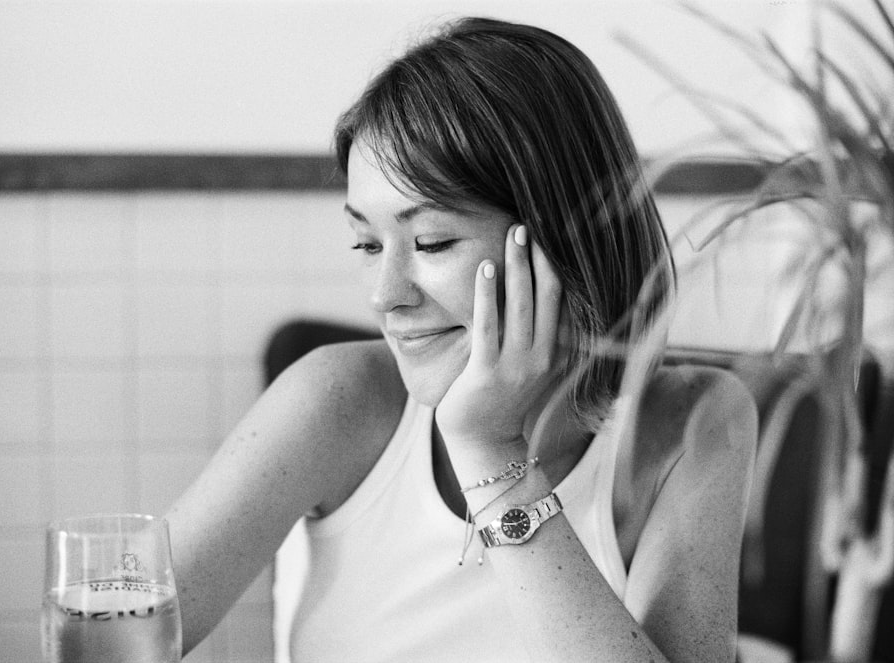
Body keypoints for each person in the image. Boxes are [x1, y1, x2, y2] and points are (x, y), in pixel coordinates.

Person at [166, 16, 757, 663]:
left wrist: (486, 448)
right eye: (366, 243)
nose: (384, 294)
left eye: (431, 242)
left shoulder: (692, 422)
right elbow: (113, 634)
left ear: (563, 237)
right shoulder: (334, 398)